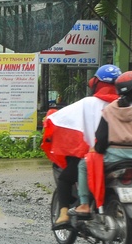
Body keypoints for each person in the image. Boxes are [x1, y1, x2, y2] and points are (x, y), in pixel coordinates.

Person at [40, 64, 122, 227]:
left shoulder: (88, 103)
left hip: (95, 156)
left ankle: (64, 213)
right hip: (123, 155)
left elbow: (62, 119)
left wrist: (50, 117)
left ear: (97, 83)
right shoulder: (127, 104)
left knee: (65, 178)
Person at [74, 71, 132, 217]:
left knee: (83, 165)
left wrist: (98, 150)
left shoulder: (109, 110)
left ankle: (84, 204)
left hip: (113, 157)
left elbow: (101, 138)